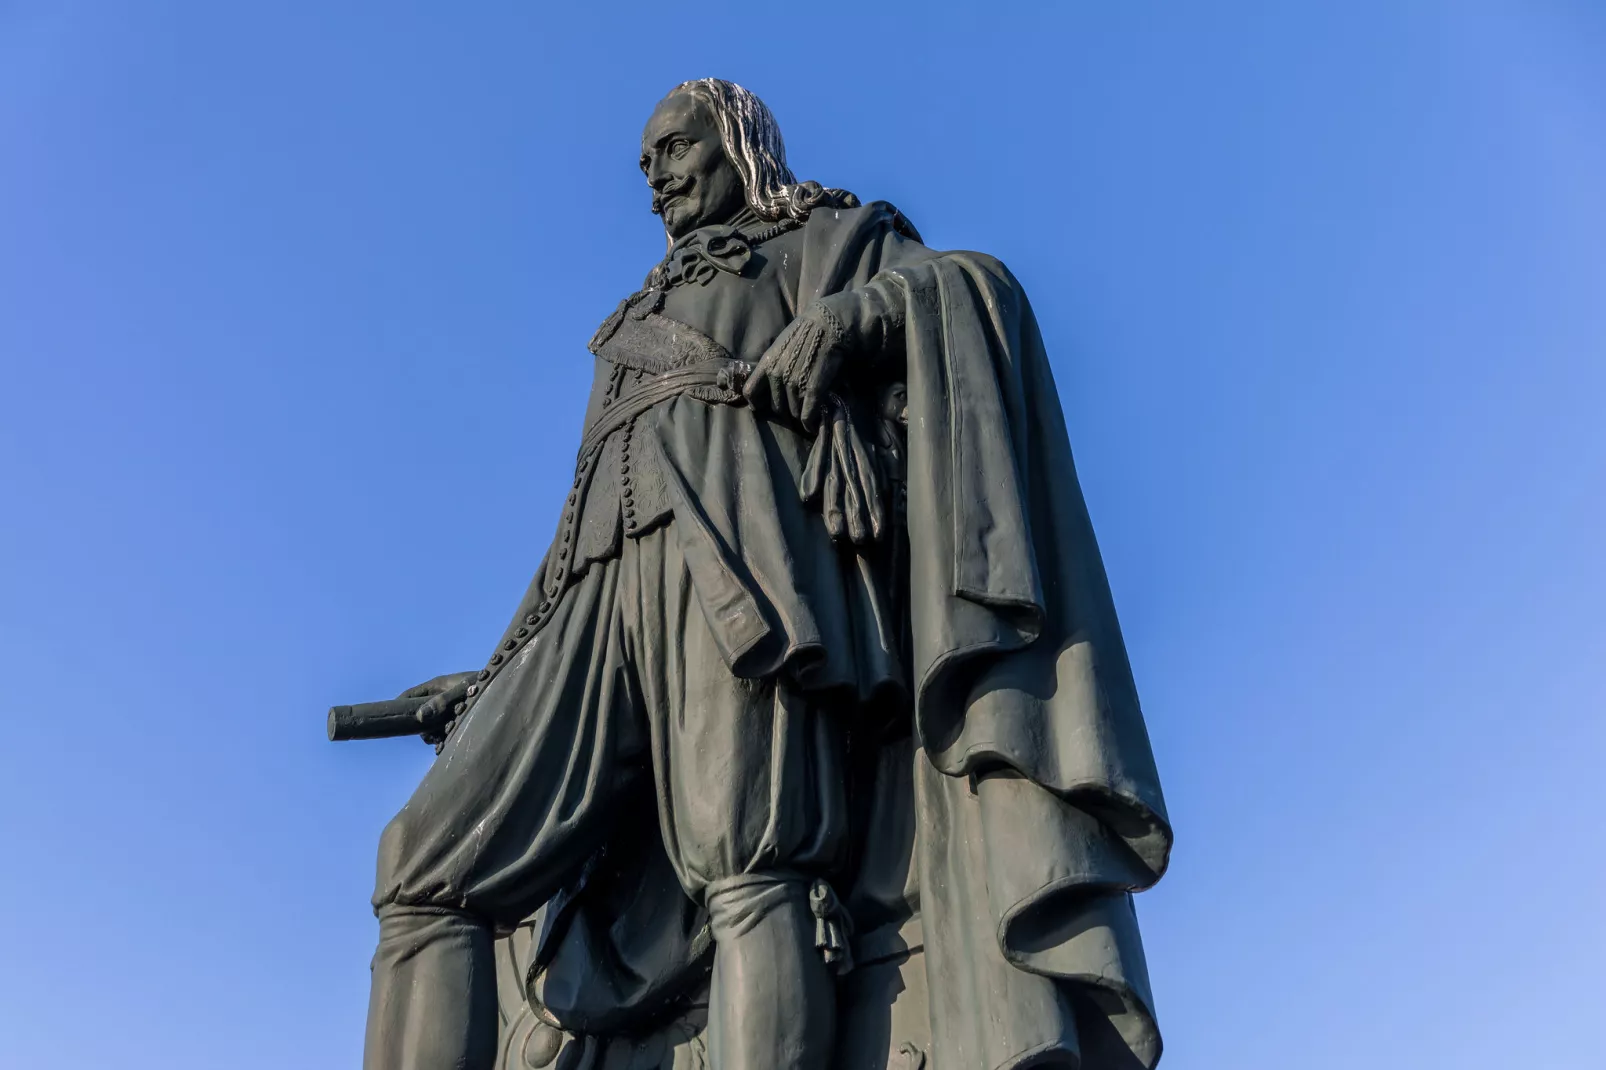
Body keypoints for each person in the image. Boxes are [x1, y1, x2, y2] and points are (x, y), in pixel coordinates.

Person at [362, 78, 1171, 1070]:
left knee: (749, 859)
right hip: (597, 593)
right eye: (646, 161)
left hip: (746, 570)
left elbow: (969, 286)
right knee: (424, 859)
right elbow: (577, 522)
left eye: (675, 146)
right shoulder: (633, 317)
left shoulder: (822, 235)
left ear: (739, 141)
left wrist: (842, 323)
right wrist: (489, 677)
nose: (656, 173)